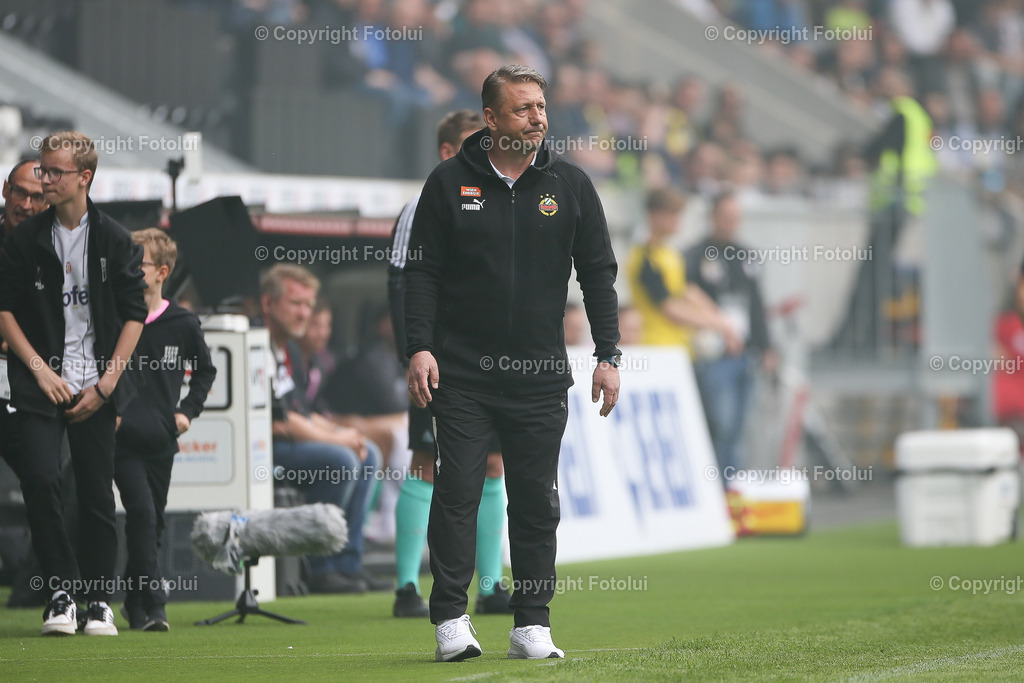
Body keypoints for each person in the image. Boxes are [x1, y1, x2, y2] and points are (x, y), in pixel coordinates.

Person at [405, 65, 620, 661]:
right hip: (462, 373)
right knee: (457, 492)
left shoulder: (571, 185)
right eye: (523, 108)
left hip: (539, 376)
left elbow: (598, 273)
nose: (537, 117)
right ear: (492, 118)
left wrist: (608, 354)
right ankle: (451, 617)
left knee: (536, 500)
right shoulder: (448, 183)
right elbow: (421, 271)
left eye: (541, 107)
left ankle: (532, 623)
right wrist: (418, 346)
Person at [0, 131, 147, 636]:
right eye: (42, 170)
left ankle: (99, 600)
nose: (44, 180)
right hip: (39, 385)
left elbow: (134, 316)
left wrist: (106, 386)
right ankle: (60, 593)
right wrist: (40, 370)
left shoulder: (115, 239)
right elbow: (4, 311)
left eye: (54, 172)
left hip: (96, 387)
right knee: (39, 480)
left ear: (84, 177)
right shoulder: (24, 238)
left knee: (95, 496)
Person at [386, 109, 513, 619]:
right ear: (445, 152)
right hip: (439, 363)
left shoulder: (492, 197)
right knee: (427, 463)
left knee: (494, 464)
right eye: (470, 144)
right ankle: (404, 589)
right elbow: (400, 283)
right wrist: (412, 353)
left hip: (492, 362)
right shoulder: (424, 203)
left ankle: (490, 586)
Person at [261, 264, 388, 594]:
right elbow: (280, 421)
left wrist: (345, 434)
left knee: (367, 452)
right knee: (341, 459)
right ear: (268, 304)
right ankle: (321, 567)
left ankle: (348, 563)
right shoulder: (256, 345)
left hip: (286, 438)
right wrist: (337, 438)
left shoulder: (287, 348)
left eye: (308, 304)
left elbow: (302, 411)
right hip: (259, 448)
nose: (304, 313)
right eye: (295, 303)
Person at [114, 229, 216, 631]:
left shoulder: (182, 322)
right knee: (140, 511)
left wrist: (187, 412)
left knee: (152, 521)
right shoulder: (116, 316)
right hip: (120, 440)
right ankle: (155, 605)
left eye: (137, 266)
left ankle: (132, 597)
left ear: (161, 272)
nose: (129, 273)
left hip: (161, 438)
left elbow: (205, 370)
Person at [684, 191, 776, 476]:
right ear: (712, 217)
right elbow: (686, 300)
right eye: (725, 216)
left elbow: (756, 304)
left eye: (735, 217)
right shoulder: (693, 256)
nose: (730, 222)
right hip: (713, 355)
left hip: (745, 355)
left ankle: (731, 488)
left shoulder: (747, 255)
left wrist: (767, 347)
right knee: (720, 425)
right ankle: (718, 487)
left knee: (738, 429)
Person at [626, 187, 741, 355]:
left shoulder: (670, 253)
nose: (677, 220)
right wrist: (717, 324)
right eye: (672, 214)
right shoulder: (645, 258)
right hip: (656, 346)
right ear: (654, 215)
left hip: (679, 347)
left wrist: (722, 320)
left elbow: (686, 290)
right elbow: (669, 307)